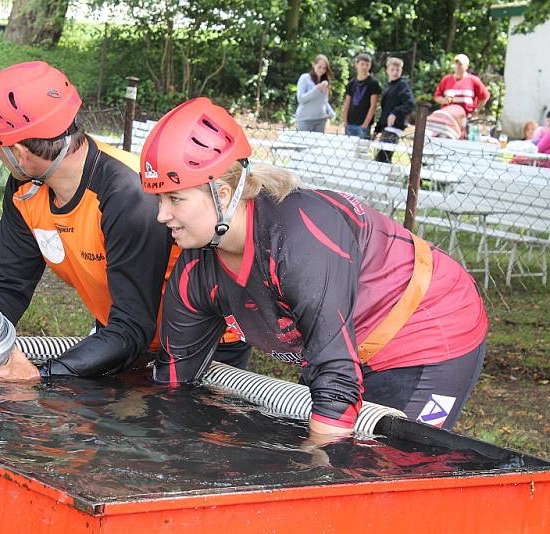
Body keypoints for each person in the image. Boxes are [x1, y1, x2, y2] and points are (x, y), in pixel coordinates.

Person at [139, 97, 488, 438]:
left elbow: (335, 383)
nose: (161, 215)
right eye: (159, 198)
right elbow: (173, 381)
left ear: (225, 194)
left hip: (428, 328)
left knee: (386, 470)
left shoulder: (299, 238)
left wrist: (315, 465)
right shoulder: (195, 269)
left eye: (175, 198)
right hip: (341, 345)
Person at [0, 62, 249, 383]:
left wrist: (38, 375)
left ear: (18, 152)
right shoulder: (24, 188)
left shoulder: (128, 195)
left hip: (203, 346)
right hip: (118, 335)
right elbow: (5, 282)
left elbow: (133, 325)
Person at [374, 57, 415, 163]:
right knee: (382, 158)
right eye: (392, 69)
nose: (395, 72)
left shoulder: (402, 85)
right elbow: (385, 110)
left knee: (382, 158)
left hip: (395, 128)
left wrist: (395, 113)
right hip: (386, 128)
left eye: (398, 70)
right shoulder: (389, 86)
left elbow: (410, 104)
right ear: (387, 70)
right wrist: (377, 129)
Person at [433, 53, 490, 117]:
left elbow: (485, 96)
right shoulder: (446, 79)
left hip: (465, 118)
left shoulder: (474, 80)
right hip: (447, 117)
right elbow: (436, 97)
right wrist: (444, 100)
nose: (457, 66)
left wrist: (476, 111)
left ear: (467, 66)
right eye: (456, 64)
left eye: (460, 64)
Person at [341, 53, 381, 139]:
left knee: (361, 151)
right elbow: (347, 103)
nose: (365, 67)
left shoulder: (373, 83)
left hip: (363, 125)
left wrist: (365, 124)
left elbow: (373, 105)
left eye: (367, 65)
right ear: (356, 65)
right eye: (362, 64)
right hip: (350, 123)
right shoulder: (351, 83)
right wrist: (345, 122)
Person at [295, 54, 335, 132]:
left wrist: (331, 113)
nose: (321, 70)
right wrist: (316, 89)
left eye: (324, 68)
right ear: (314, 65)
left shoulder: (325, 82)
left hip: (320, 120)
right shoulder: (305, 78)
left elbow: (324, 102)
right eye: (319, 67)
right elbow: (301, 99)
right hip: (305, 120)